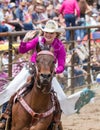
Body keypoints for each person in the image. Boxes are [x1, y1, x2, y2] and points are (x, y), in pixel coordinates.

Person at [0, 19, 66, 128]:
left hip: (48, 73)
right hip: (31, 69)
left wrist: (54, 71)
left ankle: (56, 121)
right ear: (43, 32)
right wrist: (24, 40)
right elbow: (22, 50)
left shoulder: (59, 46)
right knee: (11, 89)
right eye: (46, 32)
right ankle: (5, 116)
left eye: (51, 33)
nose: (48, 35)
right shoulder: (38, 40)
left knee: (61, 98)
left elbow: (62, 65)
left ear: (56, 34)